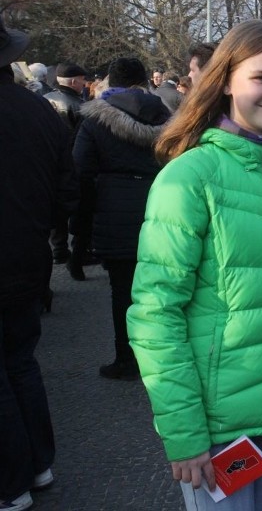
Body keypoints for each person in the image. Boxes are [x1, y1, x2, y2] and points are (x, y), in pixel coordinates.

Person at [126, 20, 262, 510]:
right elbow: (155, 314)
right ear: (225, 81)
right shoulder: (189, 177)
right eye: (261, 78)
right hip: (215, 425)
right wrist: (185, 432)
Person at [1, 17, 76, 511]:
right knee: (21, 361)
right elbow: (67, 190)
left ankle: (11, 482)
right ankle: (39, 463)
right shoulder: (38, 110)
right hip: (26, 257)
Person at [72, 57, 171, 380]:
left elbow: (82, 172)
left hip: (113, 209)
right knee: (162, 287)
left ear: (110, 81)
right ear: (143, 81)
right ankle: (164, 355)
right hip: (161, 206)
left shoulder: (95, 120)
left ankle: (126, 358)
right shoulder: (167, 115)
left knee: (122, 290)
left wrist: (80, 231)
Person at [44, 62, 88, 265]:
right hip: (71, 160)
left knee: (54, 205)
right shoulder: (79, 106)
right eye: (81, 80)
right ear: (73, 81)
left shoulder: (43, 100)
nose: (84, 84)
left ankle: (58, 247)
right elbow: (82, 138)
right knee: (76, 205)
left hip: (48, 160)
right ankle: (77, 250)